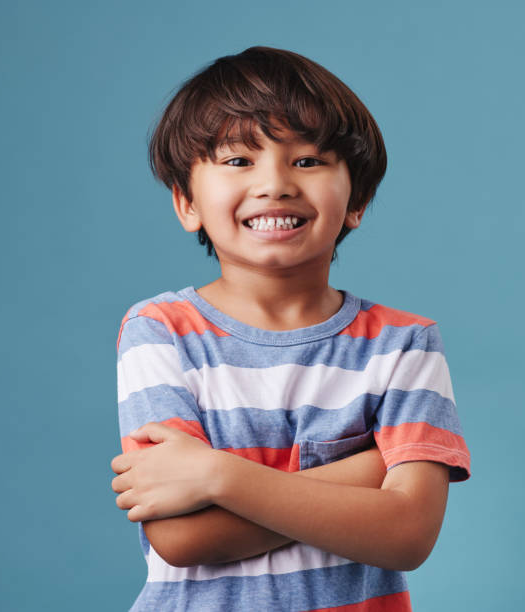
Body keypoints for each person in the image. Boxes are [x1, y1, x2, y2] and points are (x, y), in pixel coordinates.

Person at [111, 46, 471, 612]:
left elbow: (407, 535)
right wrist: (376, 466)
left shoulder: (405, 343)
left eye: (307, 161)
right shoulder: (160, 331)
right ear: (187, 203)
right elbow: (181, 539)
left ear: (358, 200)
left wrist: (216, 476)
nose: (274, 183)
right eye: (237, 161)